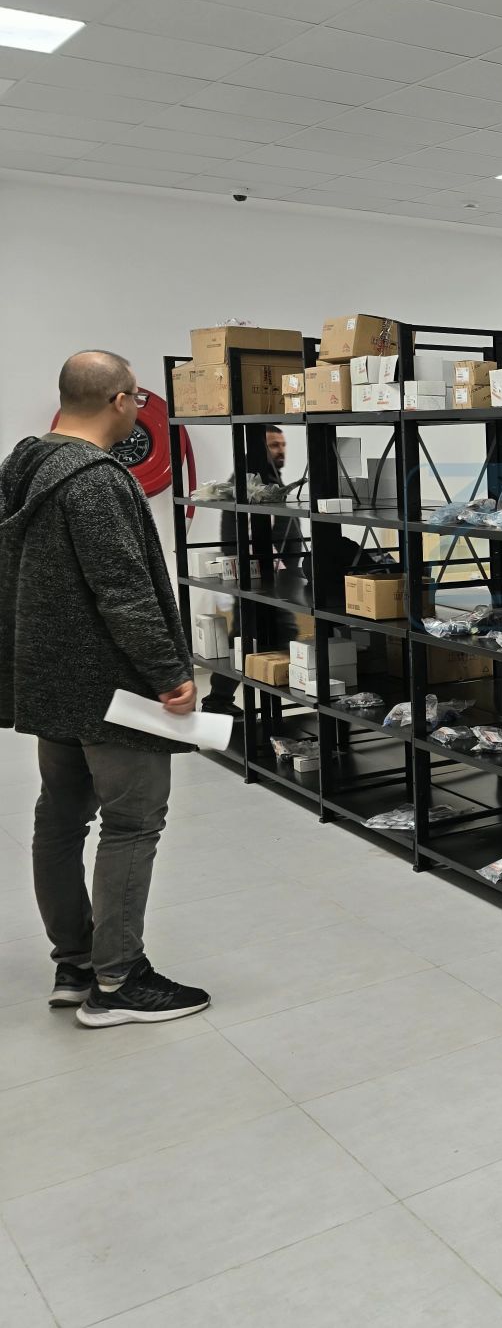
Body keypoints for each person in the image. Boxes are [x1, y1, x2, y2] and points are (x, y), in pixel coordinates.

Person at [0, 351, 211, 1026]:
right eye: (137, 398)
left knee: (60, 819)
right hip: (110, 689)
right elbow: (122, 590)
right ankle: (118, 981)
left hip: (50, 679)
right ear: (121, 400)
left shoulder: (24, 466)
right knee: (132, 821)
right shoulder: (95, 480)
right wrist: (169, 674)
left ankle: (77, 964)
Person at [201, 423, 302, 716]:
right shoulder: (249, 483)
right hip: (260, 577)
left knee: (252, 635)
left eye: (282, 444)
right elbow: (236, 532)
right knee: (259, 634)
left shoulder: (268, 479)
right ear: (258, 449)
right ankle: (222, 700)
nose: (281, 451)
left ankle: (221, 699)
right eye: (274, 445)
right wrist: (250, 572)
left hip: (272, 575)